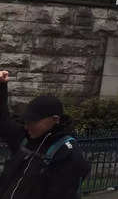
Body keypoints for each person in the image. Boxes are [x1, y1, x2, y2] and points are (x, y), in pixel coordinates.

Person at [0, 70, 91, 199]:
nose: (27, 126)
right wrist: (2, 86)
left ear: (55, 119)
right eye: (26, 121)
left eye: (33, 122)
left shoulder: (67, 153)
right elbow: (3, 122)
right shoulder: (26, 137)